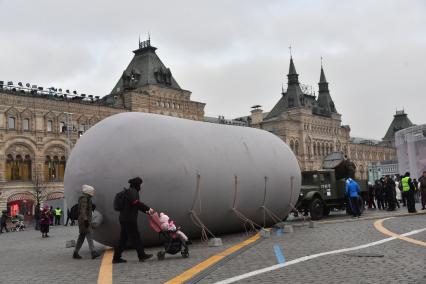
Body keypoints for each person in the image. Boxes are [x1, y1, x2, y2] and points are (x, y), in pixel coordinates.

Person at [112, 177, 154, 264]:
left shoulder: (128, 191)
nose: (141, 186)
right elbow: (136, 203)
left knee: (123, 238)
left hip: (124, 218)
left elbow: (135, 205)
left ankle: (116, 257)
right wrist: (148, 208)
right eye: (140, 184)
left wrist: (146, 211)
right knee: (136, 237)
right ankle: (141, 255)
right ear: (137, 184)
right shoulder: (133, 192)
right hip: (129, 219)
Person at [73, 185, 100, 260]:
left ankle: (75, 252)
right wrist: (85, 220)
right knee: (89, 234)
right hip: (84, 220)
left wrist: (91, 206)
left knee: (81, 236)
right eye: (92, 191)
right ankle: (93, 252)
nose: (93, 192)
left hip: (82, 220)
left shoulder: (86, 199)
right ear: (88, 191)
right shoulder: (84, 199)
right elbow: (83, 210)